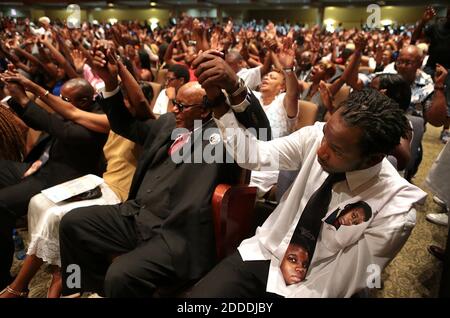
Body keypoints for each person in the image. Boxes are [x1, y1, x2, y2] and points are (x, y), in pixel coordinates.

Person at [57, 49, 270, 297]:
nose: (174, 109)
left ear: (204, 111)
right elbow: (124, 124)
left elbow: (259, 131)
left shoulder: (223, 137)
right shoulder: (170, 122)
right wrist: (111, 82)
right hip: (136, 214)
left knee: (121, 275)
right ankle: (79, 287)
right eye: (174, 103)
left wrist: (233, 85)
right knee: (71, 224)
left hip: (177, 233)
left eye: (181, 105)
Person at [188, 88, 427, 298]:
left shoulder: (394, 209)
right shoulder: (317, 135)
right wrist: (219, 105)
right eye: (326, 137)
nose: (321, 151)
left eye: (336, 150)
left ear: (373, 158)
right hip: (264, 253)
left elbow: (337, 283)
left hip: (314, 280)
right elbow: (254, 155)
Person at [0, 75, 108, 292]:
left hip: (62, 180)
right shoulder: (76, 106)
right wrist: (13, 97)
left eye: (66, 100)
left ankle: (4, 277)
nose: (61, 102)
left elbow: (59, 128)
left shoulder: (98, 119)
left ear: (85, 101)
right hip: (46, 167)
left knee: (1, 204)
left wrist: (25, 99)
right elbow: (40, 121)